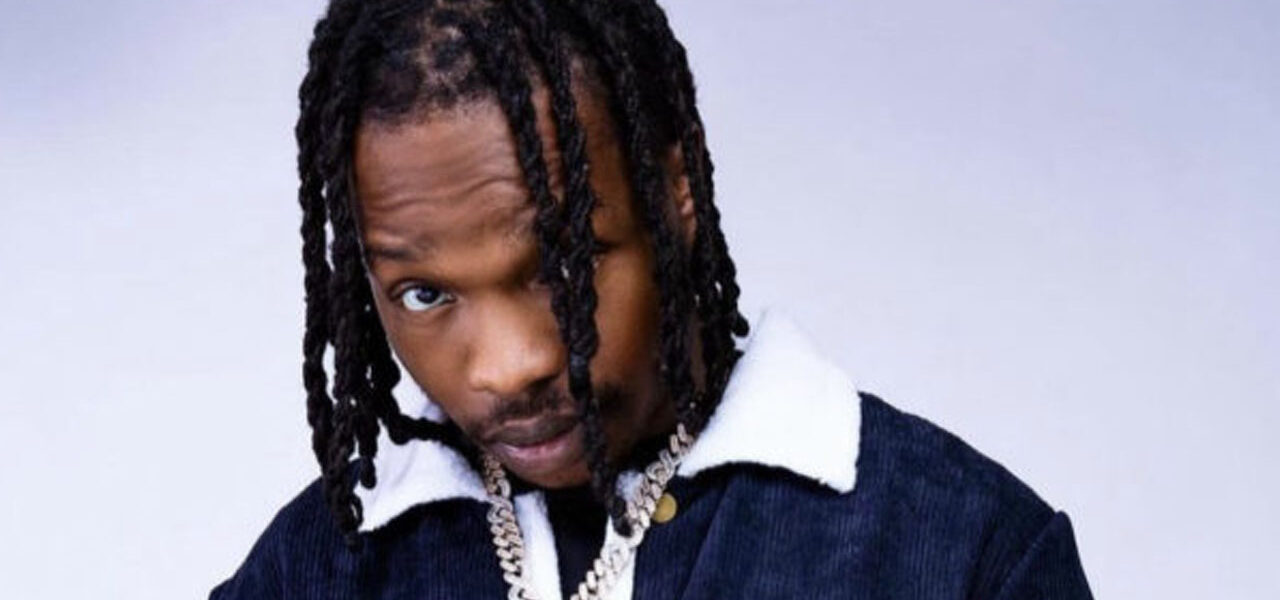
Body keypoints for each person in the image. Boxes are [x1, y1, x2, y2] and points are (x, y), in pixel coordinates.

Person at [211, 0, 1094, 598]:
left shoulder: (962, 551)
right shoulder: (316, 570)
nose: (508, 367)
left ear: (675, 191)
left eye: (561, 267)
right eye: (424, 293)